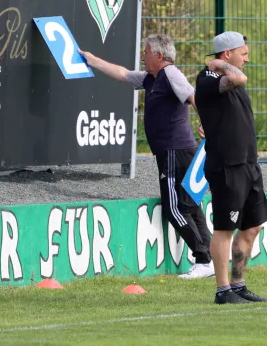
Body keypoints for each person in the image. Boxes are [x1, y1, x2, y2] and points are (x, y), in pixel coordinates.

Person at [79, 34, 214, 279]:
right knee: (191, 208)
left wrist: (207, 125)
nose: (143, 55)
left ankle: (203, 259)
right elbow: (121, 73)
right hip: (177, 150)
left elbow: (194, 97)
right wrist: (92, 60)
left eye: (147, 51)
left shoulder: (170, 74)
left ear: (159, 56)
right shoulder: (151, 78)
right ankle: (210, 261)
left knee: (174, 209)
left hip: (175, 150)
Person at [194, 31, 267, 304]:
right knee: (225, 229)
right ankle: (222, 290)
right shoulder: (207, 78)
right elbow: (239, 77)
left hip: (249, 165)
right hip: (227, 166)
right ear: (227, 54)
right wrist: (216, 65)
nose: (247, 59)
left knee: (252, 227)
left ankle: (239, 285)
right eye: (244, 54)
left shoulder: (231, 82)